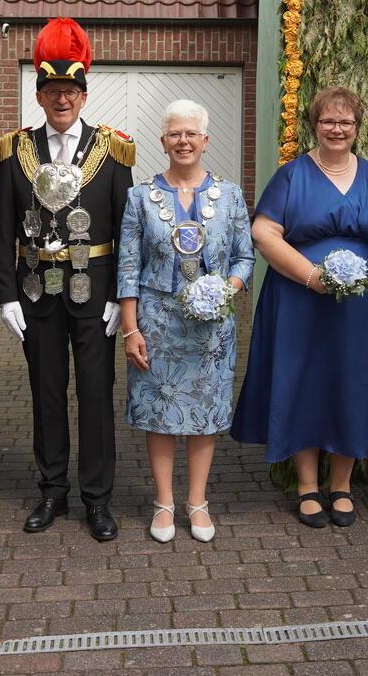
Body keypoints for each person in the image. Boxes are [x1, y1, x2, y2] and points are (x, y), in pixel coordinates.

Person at [0, 17, 134, 542]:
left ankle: (97, 498)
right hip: (35, 290)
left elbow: (127, 231)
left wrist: (121, 296)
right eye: (52, 90)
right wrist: (5, 296)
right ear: (38, 95)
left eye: (70, 91)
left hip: (94, 290)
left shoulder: (111, 149)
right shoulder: (16, 150)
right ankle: (52, 490)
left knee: (96, 395)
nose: (62, 99)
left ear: (83, 94)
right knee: (46, 392)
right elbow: (1, 228)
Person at [232, 87, 368, 529]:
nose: (337, 129)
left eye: (345, 122)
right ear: (314, 125)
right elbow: (264, 233)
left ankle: (342, 485)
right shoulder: (291, 175)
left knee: (353, 382)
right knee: (303, 381)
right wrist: (312, 276)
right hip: (299, 299)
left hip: (363, 310)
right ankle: (307, 486)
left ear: (357, 127)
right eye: (328, 121)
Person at [119, 100, 254, 542]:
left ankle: (197, 501)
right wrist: (131, 329)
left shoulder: (230, 195)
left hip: (212, 326)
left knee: (205, 413)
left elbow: (245, 257)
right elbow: (128, 267)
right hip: (157, 322)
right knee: (159, 413)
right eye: (175, 134)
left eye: (191, 133)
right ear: (163, 142)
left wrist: (225, 290)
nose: (183, 141)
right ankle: (163, 502)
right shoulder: (139, 197)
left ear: (205, 140)